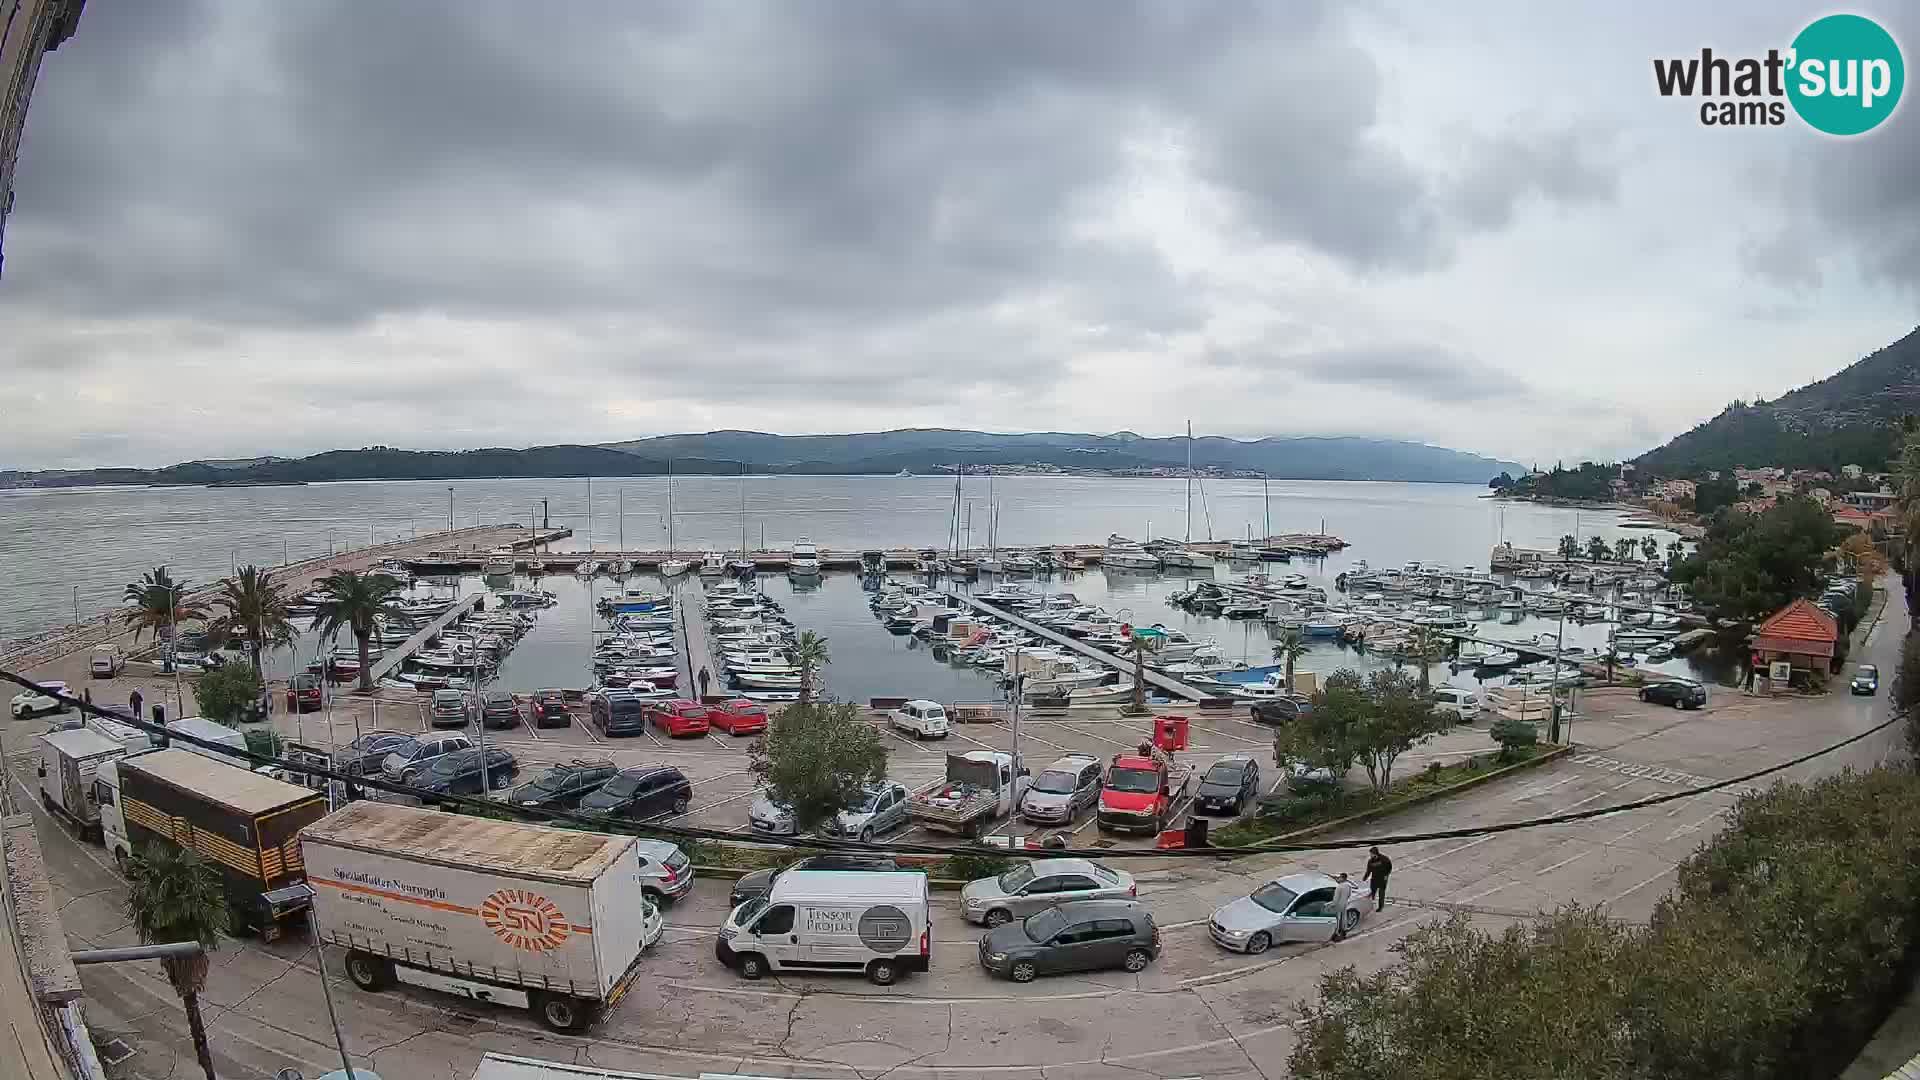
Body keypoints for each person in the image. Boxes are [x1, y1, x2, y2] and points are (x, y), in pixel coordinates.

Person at [1365, 846, 1393, 911]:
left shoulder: (1384, 859)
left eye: (1371, 854)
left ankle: (1380, 907)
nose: (1370, 855)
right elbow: (1368, 871)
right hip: (1374, 878)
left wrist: (1386, 875)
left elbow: (1389, 867)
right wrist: (1364, 878)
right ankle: (1370, 905)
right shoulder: (1370, 861)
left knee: (1381, 893)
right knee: (1372, 892)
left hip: (1382, 879)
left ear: (1375, 853)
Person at [1331, 872, 1354, 940]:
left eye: (1339, 877)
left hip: (1339, 905)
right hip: (1345, 903)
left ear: (1343, 878)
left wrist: (1332, 905)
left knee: (1338, 919)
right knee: (1344, 917)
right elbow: (1349, 895)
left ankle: (1337, 933)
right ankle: (1344, 931)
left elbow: (1336, 899)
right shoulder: (1348, 886)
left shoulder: (1339, 887)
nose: (1338, 879)